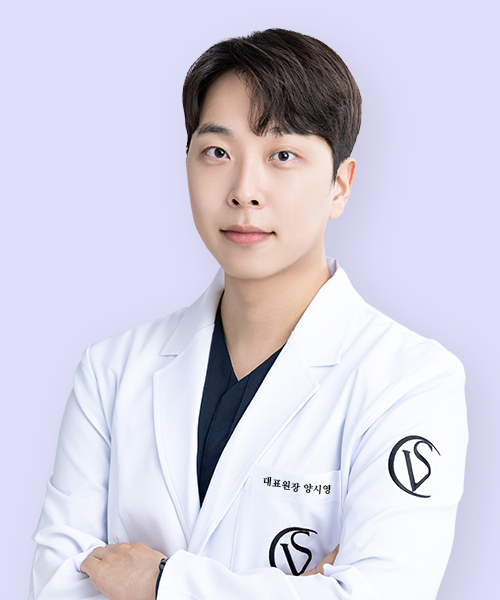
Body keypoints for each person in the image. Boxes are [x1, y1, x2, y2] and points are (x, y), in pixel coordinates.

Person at [28, 28, 468, 600]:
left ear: (339, 185)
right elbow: (54, 585)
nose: (244, 190)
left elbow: (384, 592)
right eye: (217, 152)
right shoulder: (111, 370)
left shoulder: (409, 380)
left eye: (282, 155)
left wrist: (159, 582)